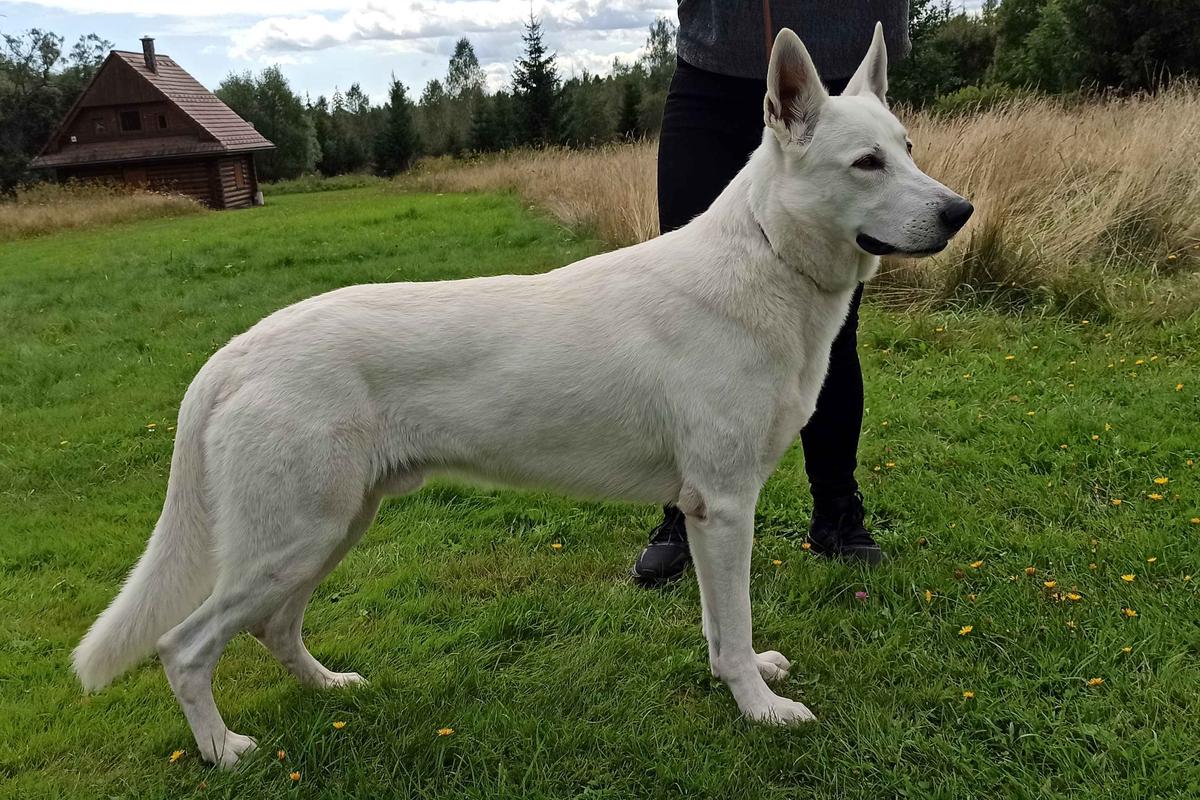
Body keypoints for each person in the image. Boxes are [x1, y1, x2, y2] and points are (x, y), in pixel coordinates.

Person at [631, 2, 912, 588]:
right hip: (711, 72)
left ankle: (836, 511)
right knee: (685, 307)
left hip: (837, 71)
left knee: (832, 322)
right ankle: (686, 509)